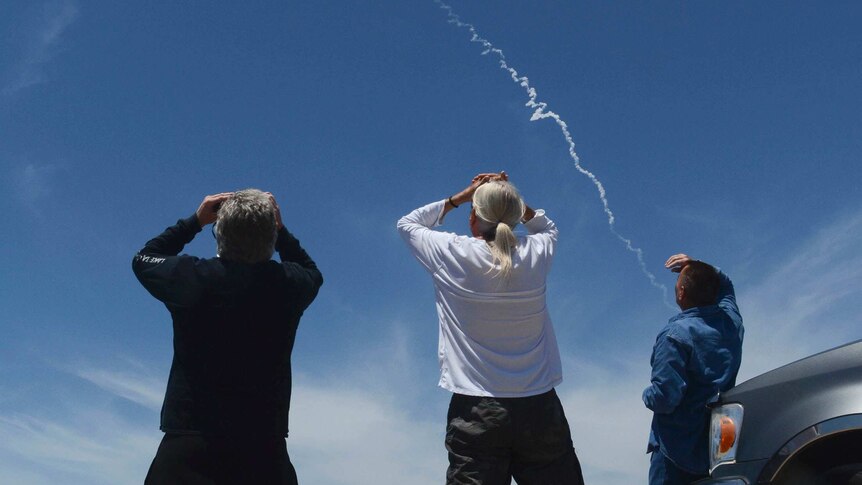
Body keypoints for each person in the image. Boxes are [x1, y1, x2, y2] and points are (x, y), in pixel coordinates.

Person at [397, 172, 585, 485]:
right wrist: (508, 199)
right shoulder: (536, 253)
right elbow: (546, 226)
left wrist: (465, 194)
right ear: (513, 218)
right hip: (539, 405)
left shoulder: (452, 254)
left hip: (476, 408)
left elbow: (408, 224)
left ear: (473, 217)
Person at [132, 189, 323, 485]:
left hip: (188, 446)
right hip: (264, 452)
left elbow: (145, 258)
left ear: (219, 233)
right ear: (271, 238)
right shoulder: (286, 287)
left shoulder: (194, 279)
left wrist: (195, 221)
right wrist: (281, 230)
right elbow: (311, 271)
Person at [643, 254, 743, 484]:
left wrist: (645, 395)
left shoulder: (675, 336)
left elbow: (664, 398)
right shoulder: (731, 323)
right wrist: (696, 264)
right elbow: (726, 285)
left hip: (674, 451)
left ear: (681, 293)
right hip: (716, 447)